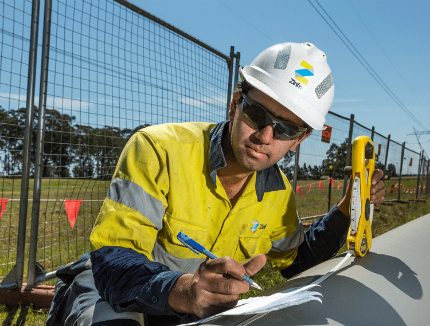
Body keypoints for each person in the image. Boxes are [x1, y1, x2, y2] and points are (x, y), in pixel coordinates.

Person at [47, 42, 385, 325]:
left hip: (190, 305)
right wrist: (185, 289)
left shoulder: (278, 193)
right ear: (236, 103)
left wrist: (347, 207)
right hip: (117, 291)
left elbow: (296, 261)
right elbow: (113, 260)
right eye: (257, 114)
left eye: (285, 130)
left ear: (300, 139)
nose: (265, 136)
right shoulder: (159, 149)